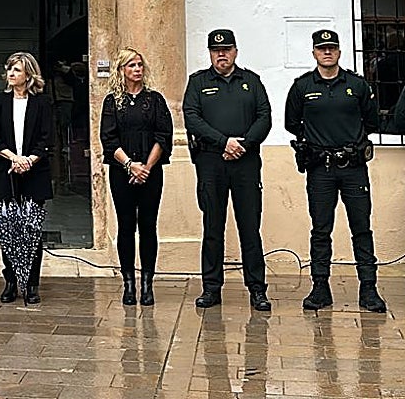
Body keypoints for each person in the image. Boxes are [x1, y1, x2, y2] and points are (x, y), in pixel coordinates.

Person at [285, 29, 387, 312]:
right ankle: (320, 287)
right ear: (314, 52)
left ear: (339, 52)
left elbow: (372, 121)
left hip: (353, 168)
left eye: (332, 48)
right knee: (320, 230)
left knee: (361, 229)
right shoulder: (302, 87)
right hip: (321, 169)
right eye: (321, 48)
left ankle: (368, 289)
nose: (327, 52)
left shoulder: (356, 85)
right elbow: (292, 123)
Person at [182, 29, 272, 311]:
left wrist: (242, 145)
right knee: (212, 227)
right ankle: (211, 288)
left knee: (250, 228)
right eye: (216, 50)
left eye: (227, 49)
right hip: (212, 162)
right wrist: (223, 142)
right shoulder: (198, 82)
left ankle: (257, 289)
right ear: (210, 53)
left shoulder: (251, 81)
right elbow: (191, 117)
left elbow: (264, 117)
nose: (222, 54)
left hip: (245, 163)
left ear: (235, 51)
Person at [99, 48, 173, 307]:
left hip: (150, 172)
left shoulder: (155, 100)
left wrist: (146, 168)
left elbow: (163, 135)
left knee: (149, 227)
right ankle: (128, 282)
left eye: (140, 65)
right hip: (122, 173)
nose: (137, 69)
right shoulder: (112, 102)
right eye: (131, 65)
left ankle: (147, 283)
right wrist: (131, 165)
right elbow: (108, 139)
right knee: (126, 226)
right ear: (121, 70)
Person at [0, 51, 54, 306]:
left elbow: (47, 139)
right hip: (7, 171)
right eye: (9, 69)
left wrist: (28, 160)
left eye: (16, 70)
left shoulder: (42, 103)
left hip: (35, 172)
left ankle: (31, 283)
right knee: (9, 229)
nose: (11, 74)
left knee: (32, 230)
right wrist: (14, 158)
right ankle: (11, 280)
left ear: (28, 75)